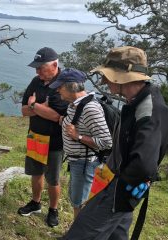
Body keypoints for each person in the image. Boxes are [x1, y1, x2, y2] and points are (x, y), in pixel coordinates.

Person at [59, 46, 168, 239]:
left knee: (81, 233)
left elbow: (144, 165)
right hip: (122, 186)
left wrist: (115, 190)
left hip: (121, 188)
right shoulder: (137, 101)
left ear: (123, 77)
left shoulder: (149, 110)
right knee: (116, 235)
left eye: (108, 76)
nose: (103, 81)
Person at [49, 68, 112, 220]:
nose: (57, 90)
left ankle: (78, 234)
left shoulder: (90, 108)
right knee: (76, 200)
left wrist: (78, 136)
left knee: (81, 203)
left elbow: (106, 142)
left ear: (72, 86)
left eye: (60, 86)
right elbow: (77, 122)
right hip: (77, 162)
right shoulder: (76, 104)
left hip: (85, 163)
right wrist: (64, 121)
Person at [18, 47, 68, 227]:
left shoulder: (65, 84)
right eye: (36, 68)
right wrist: (39, 108)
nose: (37, 72)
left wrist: (35, 106)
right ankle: (35, 202)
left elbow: (57, 116)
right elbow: (23, 110)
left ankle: (53, 210)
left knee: (52, 178)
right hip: (35, 136)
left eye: (41, 68)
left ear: (54, 65)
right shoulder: (36, 82)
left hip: (55, 141)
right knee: (36, 173)